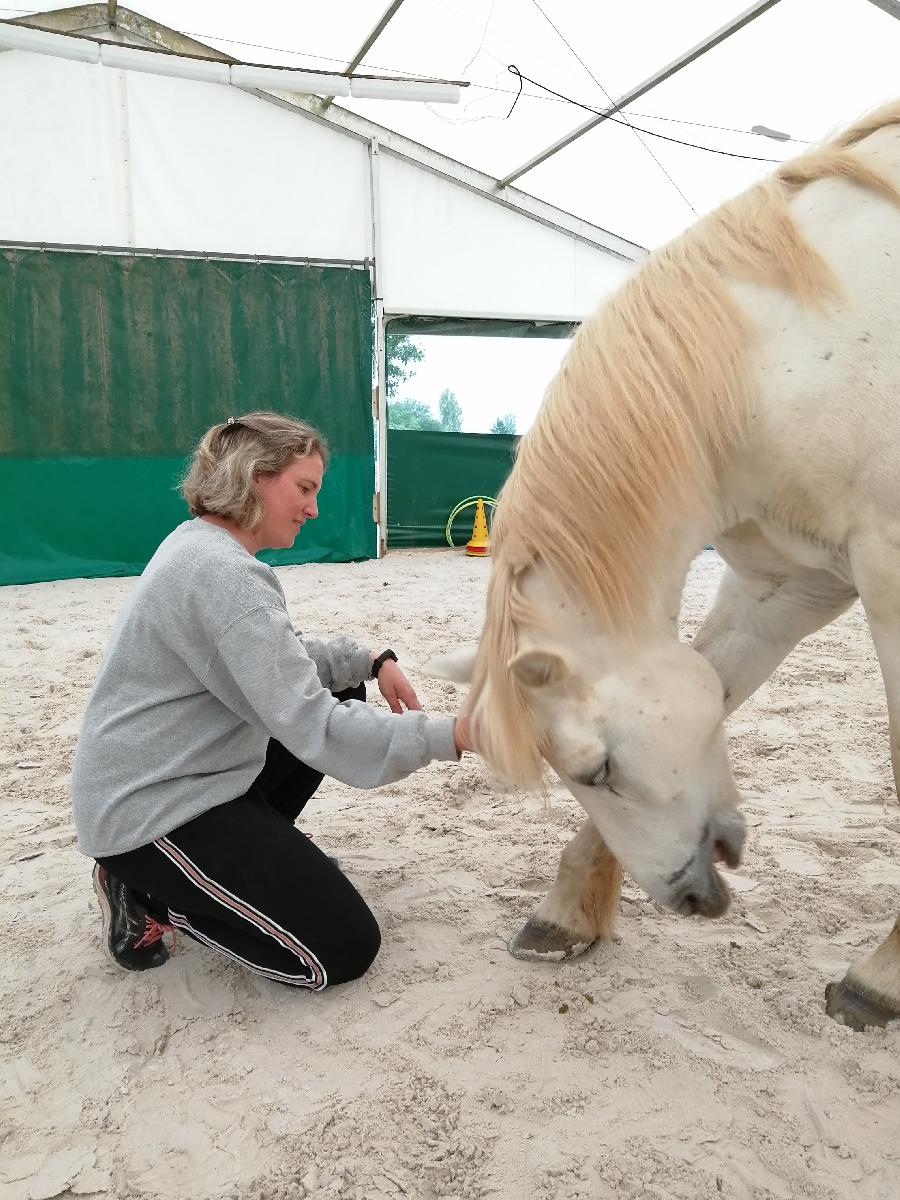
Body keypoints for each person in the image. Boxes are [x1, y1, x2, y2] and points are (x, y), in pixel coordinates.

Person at [70, 411, 472, 990]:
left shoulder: (202, 546)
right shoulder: (223, 576)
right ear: (256, 476)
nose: (313, 508)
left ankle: (235, 861)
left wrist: (370, 660)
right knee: (341, 948)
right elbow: (316, 727)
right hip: (149, 811)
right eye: (304, 488)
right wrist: (455, 734)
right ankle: (151, 895)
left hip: (187, 775)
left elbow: (279, 664)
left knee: (340, 684)